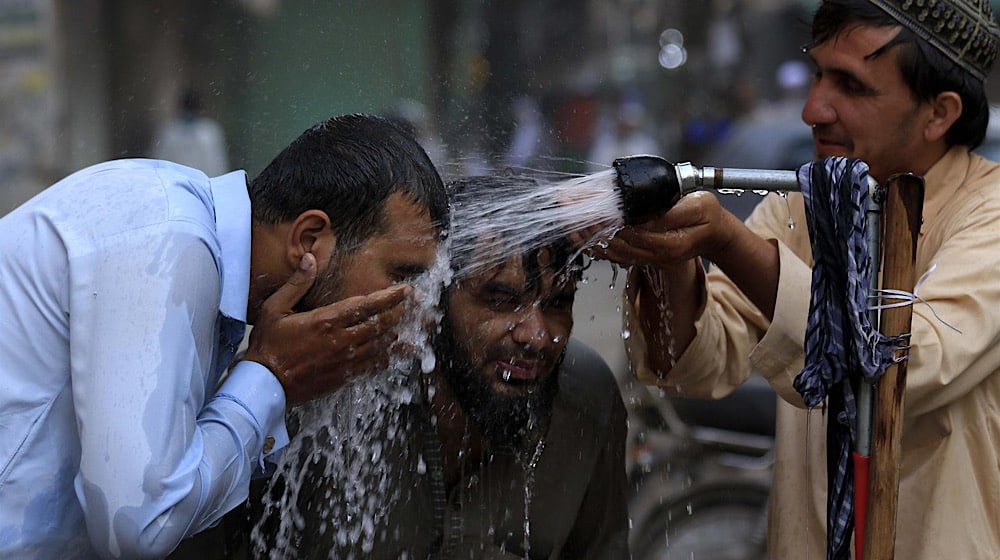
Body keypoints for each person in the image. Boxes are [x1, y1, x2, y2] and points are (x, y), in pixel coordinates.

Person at [581, 1, 1000, 558]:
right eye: (818, 75)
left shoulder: (989, 211)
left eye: (851, 86)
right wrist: (670, 252)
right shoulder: (808, 204)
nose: (813, 109)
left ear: (939, 113)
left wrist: (727, 240)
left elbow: (905, 363)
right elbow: (696, 363)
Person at [0, 113, 449, 558]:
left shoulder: (193, 246)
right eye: (402, 276)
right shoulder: (170, 242)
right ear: (309, 239)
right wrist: (271, 377)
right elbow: (140, 526)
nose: (414, 310)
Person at [249, 175, 631, 559]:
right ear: (434, 300)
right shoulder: (338, 396)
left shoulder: (585, 399)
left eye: (558, 303)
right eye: (500, 299)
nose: (536, 335)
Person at [151, 88, 231, 177]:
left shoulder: (209, 132)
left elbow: (217, 166)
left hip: (201, 184)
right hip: (177, 183)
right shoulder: (169, 132)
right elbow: (159, 163)